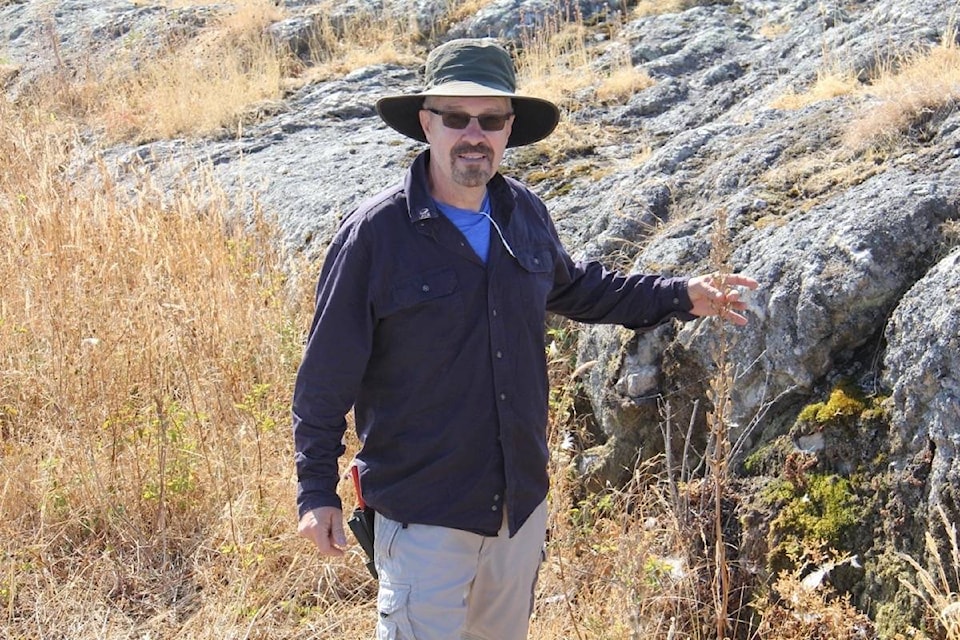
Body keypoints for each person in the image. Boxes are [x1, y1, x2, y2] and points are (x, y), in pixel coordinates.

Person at [292, 37, 758, 640]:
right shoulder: (376, 236)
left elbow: (579, 288)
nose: (473, 135)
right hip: (423, 516)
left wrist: (679, 295)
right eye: (456, 118)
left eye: (490, 121)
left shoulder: (524, 214)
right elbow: (325, 376)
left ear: (509, 129)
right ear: (426, 124)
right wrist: (314, 492)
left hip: (518, 513)